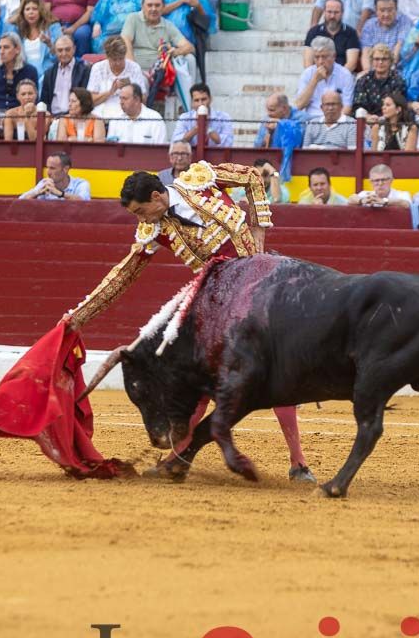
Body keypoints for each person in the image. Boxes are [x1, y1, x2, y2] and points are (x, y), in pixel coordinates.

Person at [63, 162, 310, 482]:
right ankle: (177, 458)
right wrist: (77, 317)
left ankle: (299, 462)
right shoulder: (154, 229)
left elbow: (251, 177)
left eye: (141, 211)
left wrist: (259, 229)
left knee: (278, 373)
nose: (141, 219)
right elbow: (123, 275)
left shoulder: (199, 180)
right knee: (201, 378)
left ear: (157, 197)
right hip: (221, 301)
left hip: (264, 287)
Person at [120, 0, 196, 91]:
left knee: (190, 58)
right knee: (141, 81)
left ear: (163, 7)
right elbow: (125, 41)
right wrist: (134, 69)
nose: (153, 9)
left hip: (161, 72)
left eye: (157, 5)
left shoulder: (168, 25)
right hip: (138, 70)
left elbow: (189, 47)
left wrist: (175, 52)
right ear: (142, 6)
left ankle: (190, 100)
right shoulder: (133, 18)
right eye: (149, 5)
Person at [294, 36, 356, 120]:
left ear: (334, 56)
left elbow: (347, 108)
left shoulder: (345, 74)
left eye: (324, 57)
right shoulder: (307, 73)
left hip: (336, 120)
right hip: (311, 119)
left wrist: (331, 123)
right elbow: (299, 105)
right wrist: (314, 80)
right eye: (317, 57)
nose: (320, 61)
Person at [87, 35, 147, 119]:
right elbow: (90, 101)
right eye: (114, 59)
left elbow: (143, 99)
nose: (118, 63)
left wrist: (131, 90)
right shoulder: (98, 68)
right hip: (101, 116)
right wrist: (111, 91)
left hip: (128, 114)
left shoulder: (134, 68)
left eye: (121, 59)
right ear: (107, 57)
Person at [0, 32, 38, 113]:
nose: (1, 51)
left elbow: (34, 99)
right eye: (0, 48)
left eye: (6, 47)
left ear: (17, 49)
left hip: (21, 114)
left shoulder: (30, 71)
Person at [303, 0, 362, 72]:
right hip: (318, 76)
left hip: (342, 77)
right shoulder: (314, 32)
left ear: (342, 13)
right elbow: (308, 64)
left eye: (336, 12)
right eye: (329, 12)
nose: (332, 16)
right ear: (324, 12)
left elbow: (351, 64)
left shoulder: (350, 33)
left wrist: (336, 77)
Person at [358, 0, 410, 75]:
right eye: (382, 10)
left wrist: (385, 72)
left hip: (396, 70)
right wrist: (369, 72)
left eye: (390, 10)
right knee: (360, 77)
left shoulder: (404, 21)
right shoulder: (369, 25)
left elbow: (398, 47)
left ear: (396, 9)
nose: (386, 14)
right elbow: (366, 52)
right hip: (374, 70)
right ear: (376, 11)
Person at [41, 35, 91, 116]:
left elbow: (85, 101)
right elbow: (44, 101)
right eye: (60, 50)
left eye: (67, 49)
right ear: (55, 51)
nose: (64, 53)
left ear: (74, 49)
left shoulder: (84, 70)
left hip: (75, 116)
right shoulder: (49, 73)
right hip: (52, 117)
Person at [172, 83, 232, 148]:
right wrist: (196, 129)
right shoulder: (185, 118)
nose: (200, 104)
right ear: (192, 102)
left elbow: (227, 143)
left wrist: (207, 128)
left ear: (210, 99)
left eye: (203, 99)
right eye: (196, 100)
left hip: (217, 157)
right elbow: (176, 142)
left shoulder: (223, 117)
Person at [354, 44, 405, 117]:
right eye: (377, 59)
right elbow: (357, 106)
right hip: (366, 121)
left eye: (384, 59)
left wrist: (381, 120)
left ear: (390, 61)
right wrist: (369, 117)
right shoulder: (363, 80)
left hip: (389, 121)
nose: (380, 62)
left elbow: (398, 106)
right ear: (371, 61)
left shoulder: (398, 81)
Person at [20, 151, 92, 200]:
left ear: (65, 169)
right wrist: (37, 193)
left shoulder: (80, 184)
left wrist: (60, 194)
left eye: (52, 168)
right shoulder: (44, 184)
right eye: (47, 167)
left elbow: (84, 202)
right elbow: (20, 201)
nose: (48, 172)